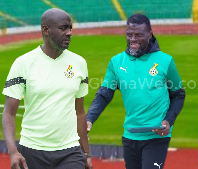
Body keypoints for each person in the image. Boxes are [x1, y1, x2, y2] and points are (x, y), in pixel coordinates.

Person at [86, 13, 185, 169]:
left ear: (149, 34)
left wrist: (168, 121)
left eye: (138, 35)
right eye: (129, 35)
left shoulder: (165, 61)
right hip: (130, 134)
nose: (132, 39)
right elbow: (104, 95)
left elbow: (178, 94)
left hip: (156, 135)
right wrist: (89, 118)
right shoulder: (116, 62)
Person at [2, 8, 93, 169]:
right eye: (63, 28)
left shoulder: (80, 64)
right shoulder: (23, 63)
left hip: (70, 151)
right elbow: (9, 113)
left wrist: (86, 153)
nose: (69, 33)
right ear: (46, 30)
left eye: (70, 28)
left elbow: (79, 112)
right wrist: (12, 151)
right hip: (31, 151)